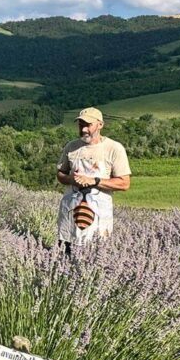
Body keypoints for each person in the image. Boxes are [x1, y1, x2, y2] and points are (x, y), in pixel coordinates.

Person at [56, 107, 131, 254]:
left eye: (88, 125)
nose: (84, 129)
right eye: (81, 125)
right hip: (70, 217)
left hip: (98, 217)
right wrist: (71, 179)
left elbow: (124, 183)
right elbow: (60, 174)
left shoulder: (114, 148)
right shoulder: (71, 147)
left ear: (100, 125)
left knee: (96, 256)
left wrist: (95, 181)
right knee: (64, 257)